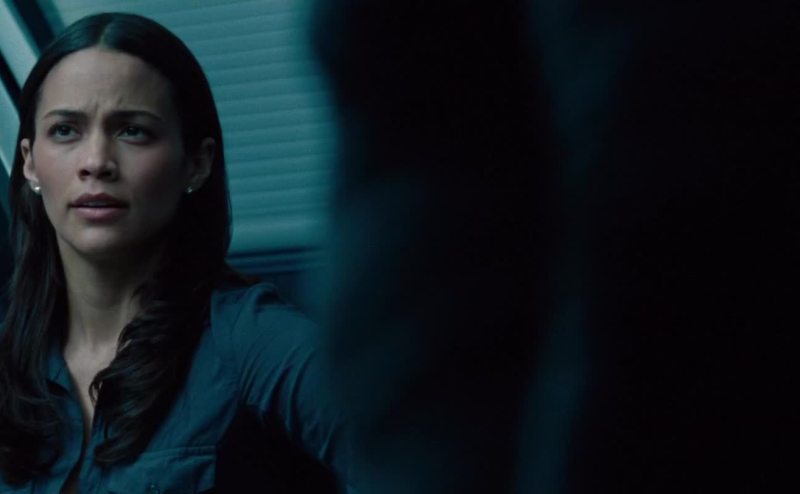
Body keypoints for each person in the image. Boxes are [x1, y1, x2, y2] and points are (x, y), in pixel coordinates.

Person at [0, 13, 351, 493]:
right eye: (65, 130)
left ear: (196, 163)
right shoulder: (12, 359)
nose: (96, 162)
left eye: (133, 131)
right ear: (29, 163)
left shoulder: (254, 343)